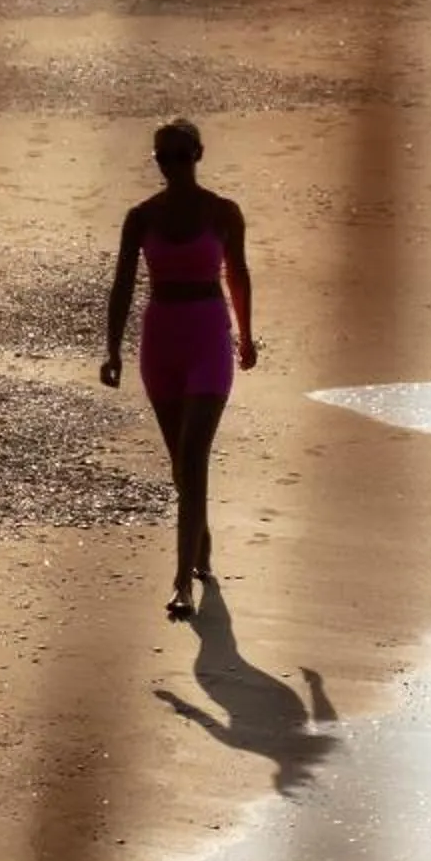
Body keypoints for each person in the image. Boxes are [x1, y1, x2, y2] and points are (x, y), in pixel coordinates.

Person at [101, 118, 257, 620]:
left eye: (180, 154)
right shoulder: (140, 217)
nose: (172, 165)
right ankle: (201, 537)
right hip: (160, 342)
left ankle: (182, 584)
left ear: (198, 154)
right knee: (179, 463)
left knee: (192, 456)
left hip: (210, 337)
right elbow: (123, 285)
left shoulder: (224, 212)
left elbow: (238, 273)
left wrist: (247, 338)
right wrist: (112, 350)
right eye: (163, 157)